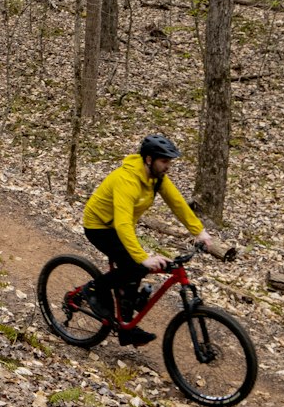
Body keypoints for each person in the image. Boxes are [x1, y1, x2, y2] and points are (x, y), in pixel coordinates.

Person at [69, 133, 212, 345]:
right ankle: (93, 290)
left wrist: (198, 231)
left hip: (120, 226)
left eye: (169, 162)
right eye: (164, 161)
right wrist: (142, 257)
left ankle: (126, 329)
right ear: (148, 159)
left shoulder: (156, 179)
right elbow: (123, 223)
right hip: (99, 225)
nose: (168, 166)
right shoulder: (127, 180)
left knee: (134, 272)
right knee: (135, 266)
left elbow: (178, 203)